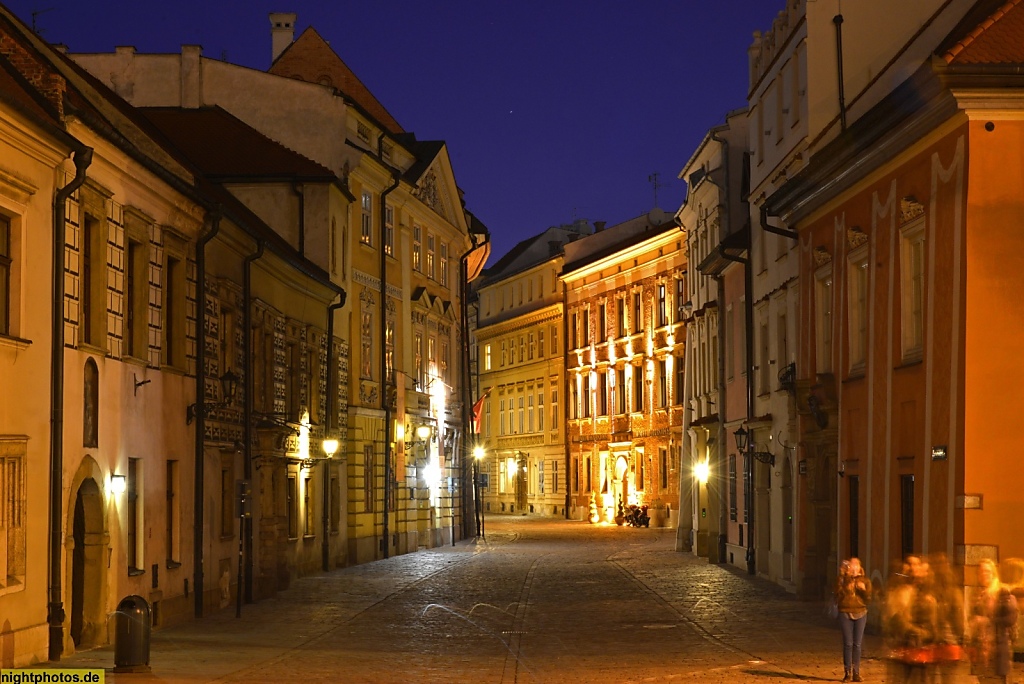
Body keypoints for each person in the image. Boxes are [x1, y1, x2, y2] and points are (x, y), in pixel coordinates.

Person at [836, 557, 873, 682]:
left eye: (856, 565)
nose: (853, 567)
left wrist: (863, 590)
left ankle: (856, 672)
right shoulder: (842, 579)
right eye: (851, 565)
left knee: (857, 644)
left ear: (860, 567)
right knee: (848, 643)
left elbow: (869, 599)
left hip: (861, 612)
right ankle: (847, 672)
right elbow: (836, 594)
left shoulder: (865, 580)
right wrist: (844, 579)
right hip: (845, 611)